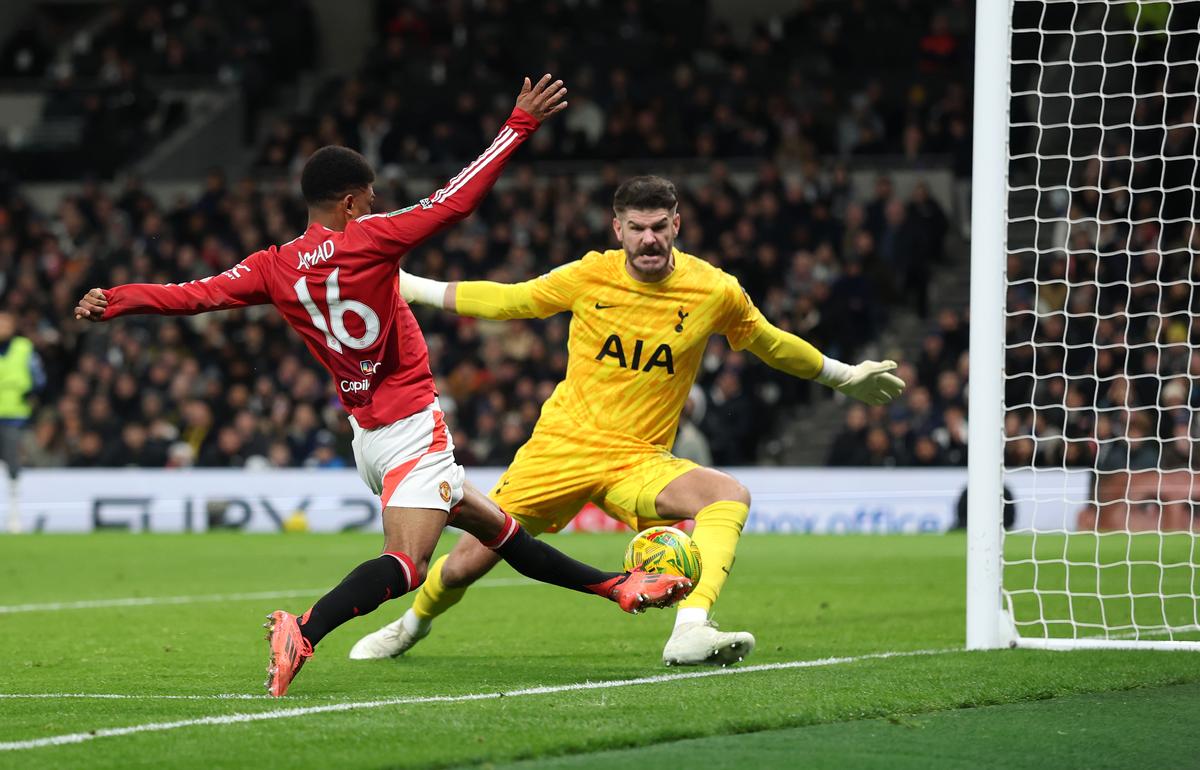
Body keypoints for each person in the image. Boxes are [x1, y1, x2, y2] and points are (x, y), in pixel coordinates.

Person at [73, 78, 691, 698]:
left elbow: (194, 295)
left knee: (500, 531)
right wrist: (518, 125)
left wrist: (117, 300)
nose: (372, 208)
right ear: (348, 203)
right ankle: (305, 629)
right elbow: (455, 200)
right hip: (411, 426)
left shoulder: (273, 267)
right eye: (367, 199)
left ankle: (617, 586)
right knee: (407, 565)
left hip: (367, 435)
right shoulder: (372, 238)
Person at [353, 175, 905, 666]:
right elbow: (511, 302)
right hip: (560, 451)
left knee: (727, 495)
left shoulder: (714, 290)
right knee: (462, 567)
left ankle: (690, 629)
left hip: (639, 460)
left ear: (676, 225)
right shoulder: (590, 277)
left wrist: (841, 375)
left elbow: (769, 342)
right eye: (637, 227)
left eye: (660, 227)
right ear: (617, 229)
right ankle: (409, 626)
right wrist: (404, 285)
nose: (649, 239)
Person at [0, 312, 46, 534]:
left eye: (6, 322)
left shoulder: (23, 347)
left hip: (14, 417)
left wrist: (31, 394)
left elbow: (38, 378)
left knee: (13, 467)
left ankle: (15, 515)